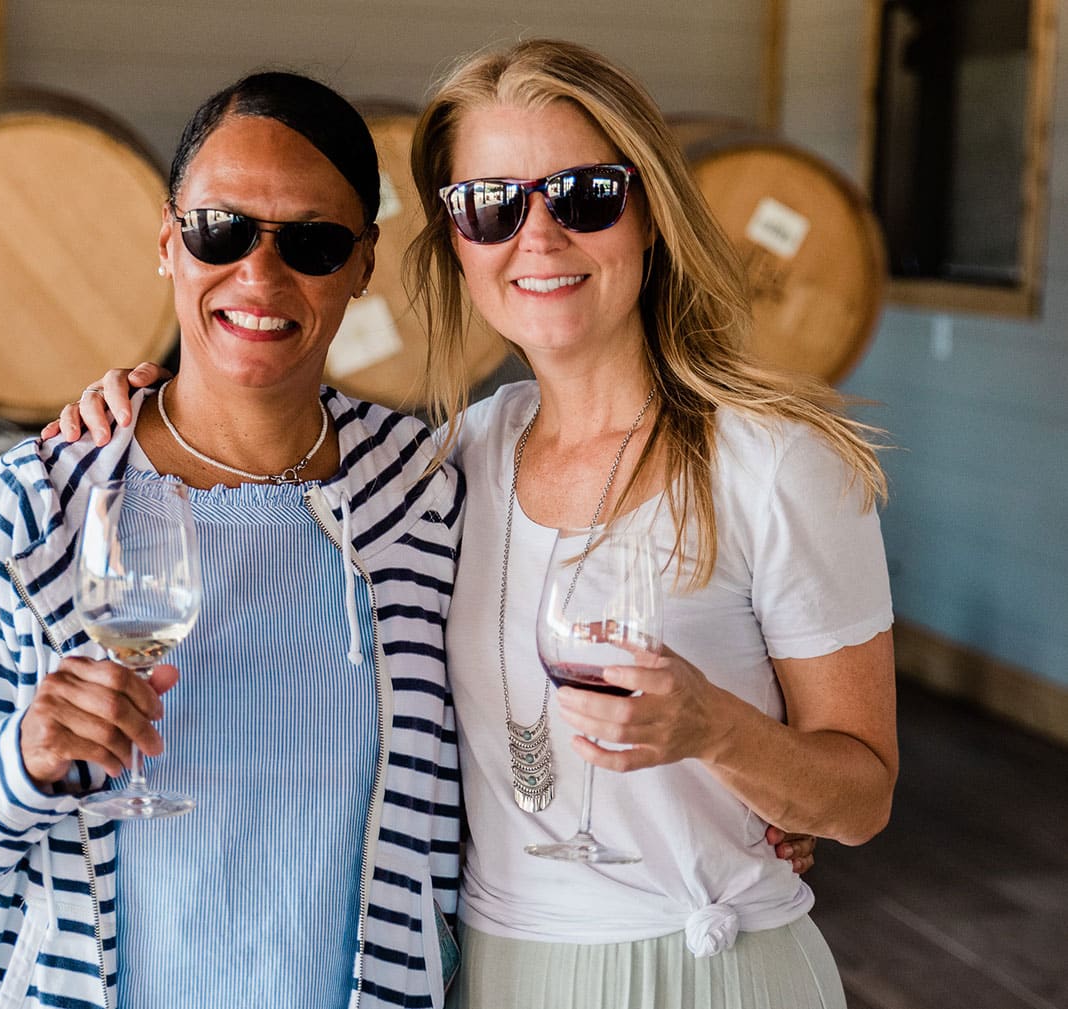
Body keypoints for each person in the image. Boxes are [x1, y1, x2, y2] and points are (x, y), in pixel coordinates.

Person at [53, 38, 891, 1009]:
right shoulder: (451, 463)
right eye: (490, 207)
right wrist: (140, 403)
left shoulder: (774, 463)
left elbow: (859, 798)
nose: (536, 238)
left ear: (650, 210)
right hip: (492, 973)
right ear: (456, 240)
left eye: (582, 195)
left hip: (705, 970)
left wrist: (718, 731)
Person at [0, 71, 467, 1009]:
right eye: (221, 231)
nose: (259, 277)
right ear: (168, 240)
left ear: (363, 263)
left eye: (311, 241)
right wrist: (22, 757)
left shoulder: (423, 494)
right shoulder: (49, 501)